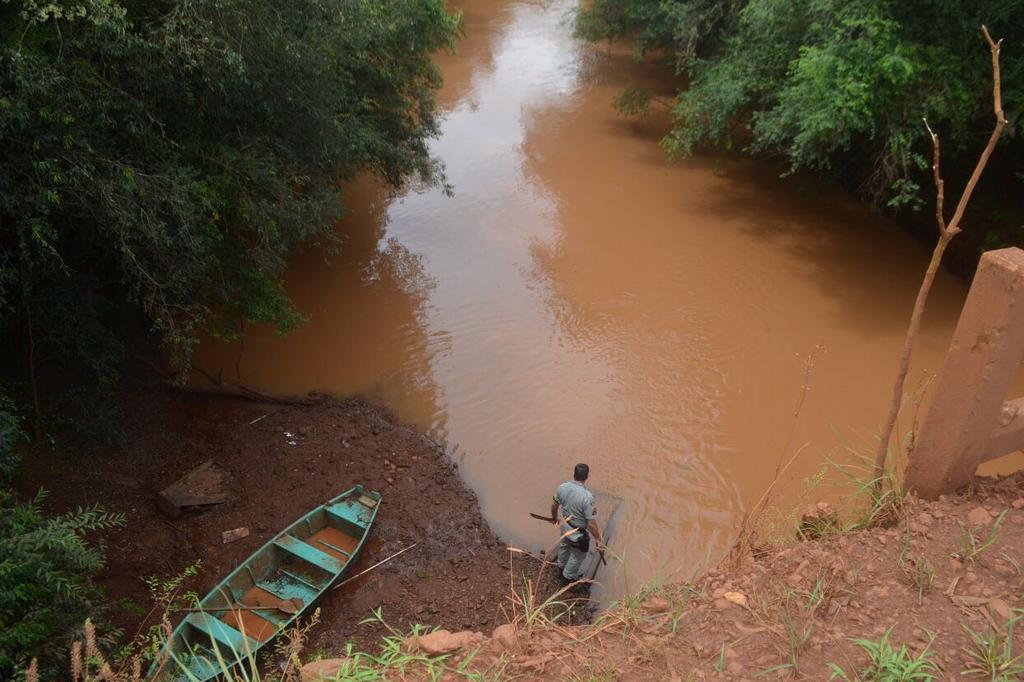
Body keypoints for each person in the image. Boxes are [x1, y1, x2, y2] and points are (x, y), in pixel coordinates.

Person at [550, 462, 605, 583]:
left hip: (564, 525)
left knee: (564, 545)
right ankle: (568, 577)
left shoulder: (562, 487)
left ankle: (560, 566)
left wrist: (554, 519)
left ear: (574, 474)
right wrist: (598, 540)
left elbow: (554, 505)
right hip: (577, 533)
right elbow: (591, 523)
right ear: (587, 477)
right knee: (578, 555)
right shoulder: (587, 497)